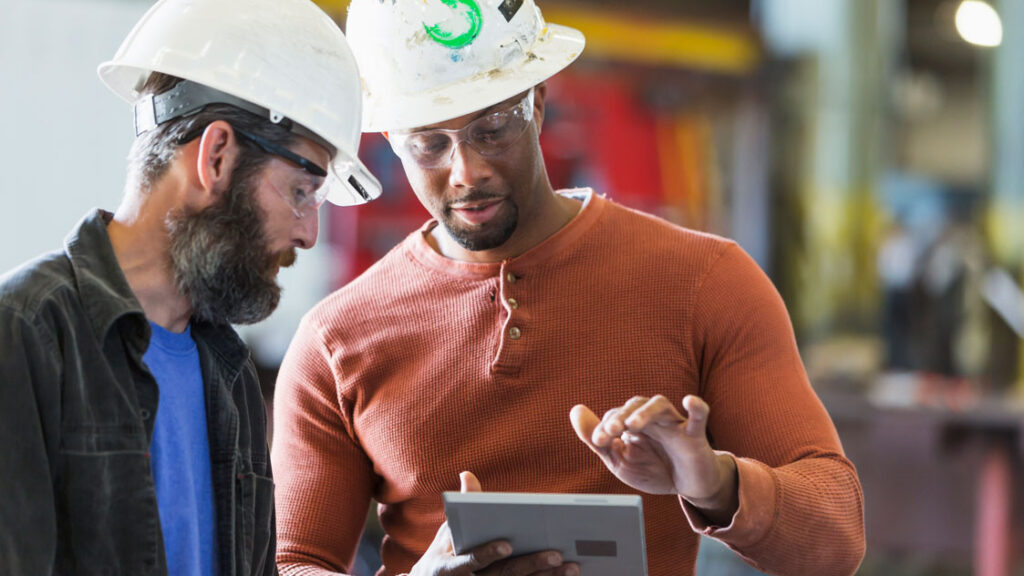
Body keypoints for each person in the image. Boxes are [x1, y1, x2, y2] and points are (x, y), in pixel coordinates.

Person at [272, 1, 865, 575]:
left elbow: (837, 538)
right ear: (390, 140)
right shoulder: (337, 339)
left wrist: (714, 482)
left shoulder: (704, 284)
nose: (466, 170)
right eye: (428, 143)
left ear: (538, 101)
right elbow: (290, 563)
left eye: (493, 127)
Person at [0, 0, 380, 574]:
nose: (308, 234)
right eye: (303, 191)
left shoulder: (227, 372)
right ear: (218, 157)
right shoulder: (25, 334)